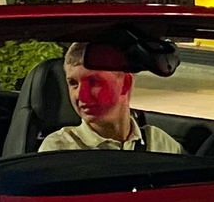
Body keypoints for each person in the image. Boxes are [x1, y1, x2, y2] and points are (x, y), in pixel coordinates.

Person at [39, 42, 187, 153]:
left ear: (126, 83)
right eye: (73, 83)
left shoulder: (160, 144)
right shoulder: (59, 149)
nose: (81, 95)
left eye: (94, 82)